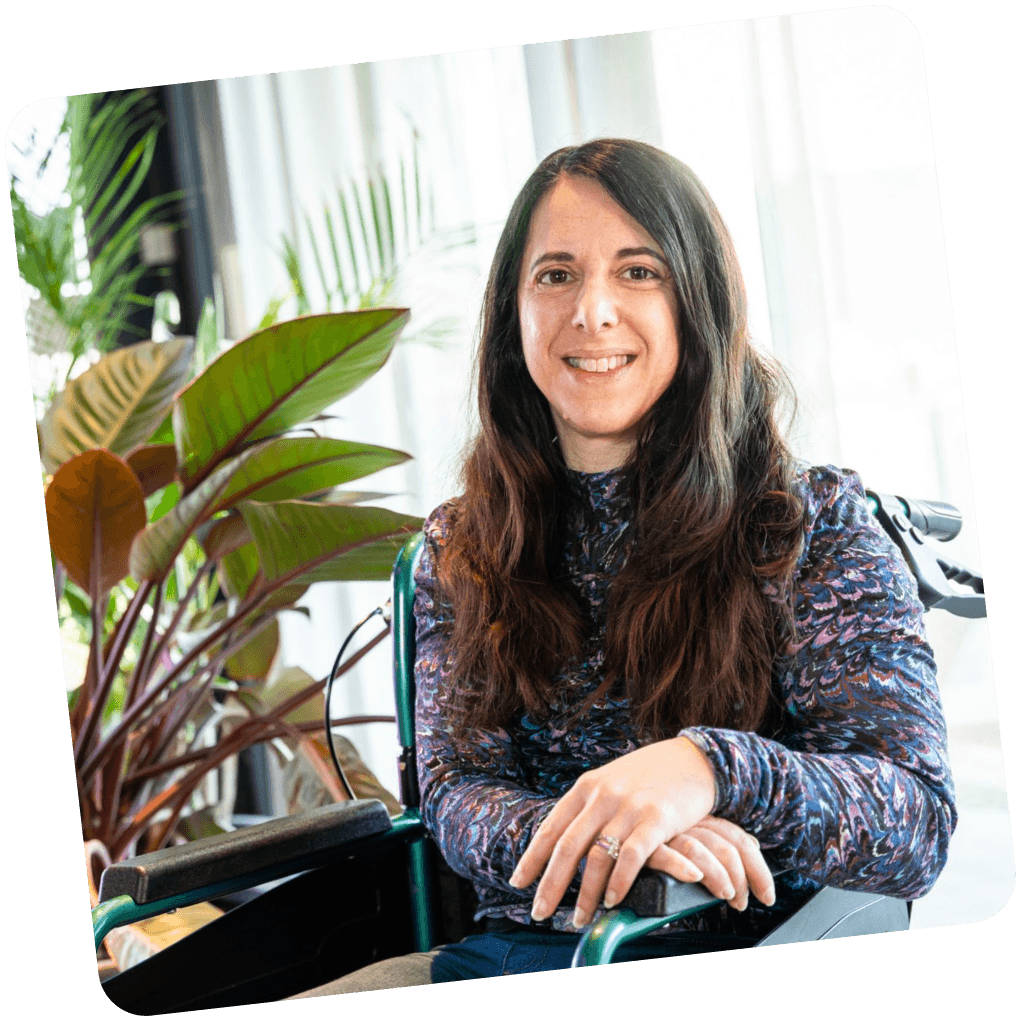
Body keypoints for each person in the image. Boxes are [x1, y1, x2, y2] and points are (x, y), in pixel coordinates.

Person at [291, 138, 955, 997]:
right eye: (555, 275)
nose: (592, 311)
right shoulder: (462, 546)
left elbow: (914, 821)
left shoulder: (811, 525)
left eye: (638, 271)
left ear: (697, 301)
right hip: (512, 957)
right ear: (513, 315)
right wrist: (619, 838)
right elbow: (458, 791)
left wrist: (706, 771)